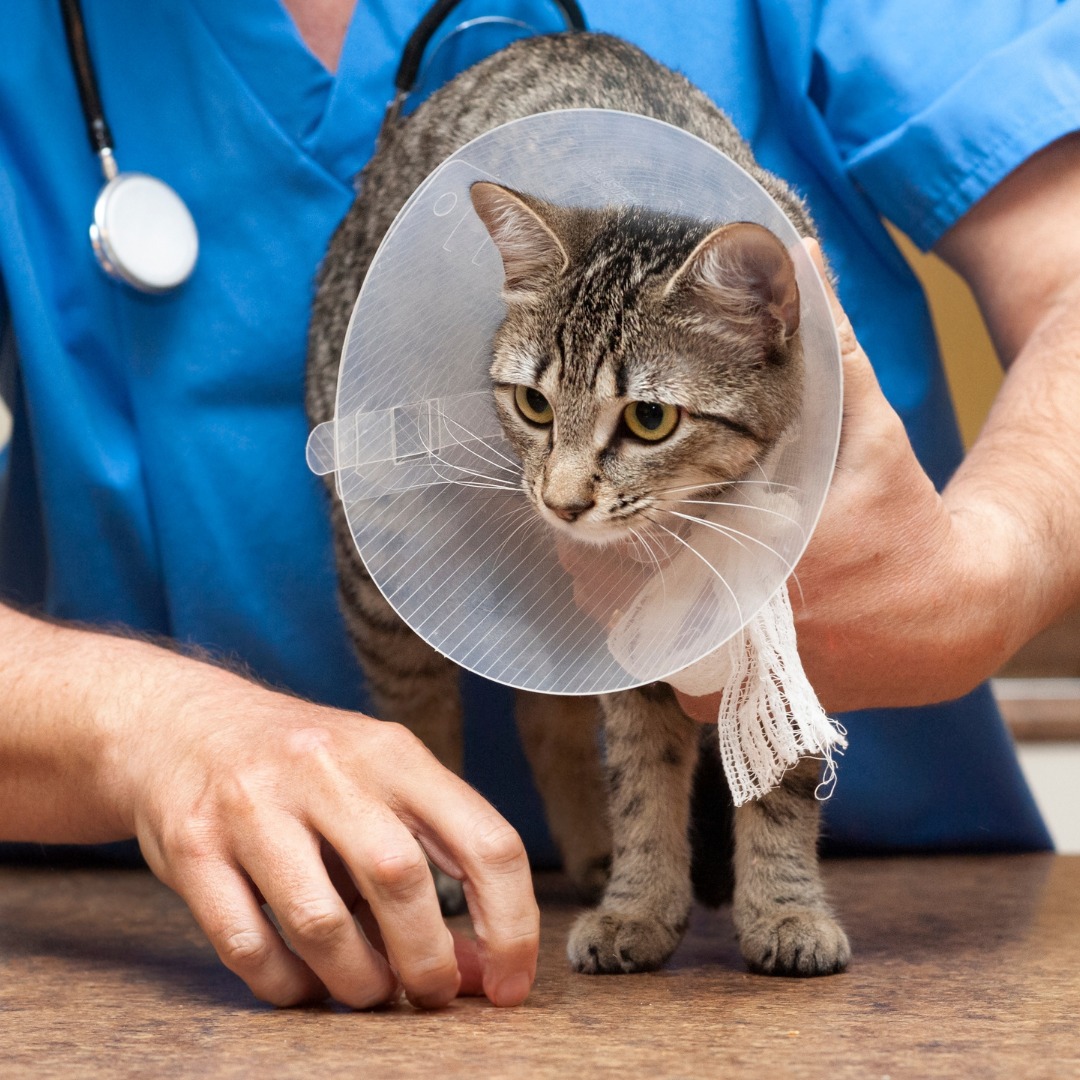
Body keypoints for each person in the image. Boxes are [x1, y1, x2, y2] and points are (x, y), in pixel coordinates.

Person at [1, 0, 1078, 1010]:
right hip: (209, 918)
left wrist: (987, 573)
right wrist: (148, 731)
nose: (558, 490)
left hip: (917, 910)